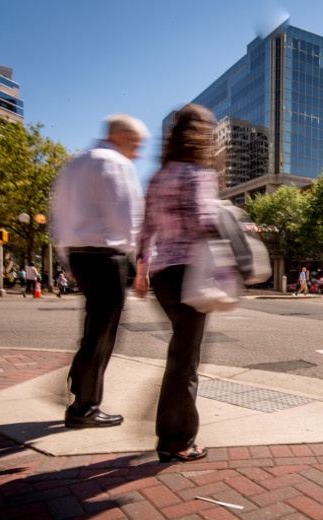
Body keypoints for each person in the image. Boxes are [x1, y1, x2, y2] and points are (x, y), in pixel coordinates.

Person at [51, 113, 149, 429]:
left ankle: (80, 388)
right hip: (105, 257)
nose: (139, 152)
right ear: (121, 135)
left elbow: (60, 215)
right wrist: (143, 265)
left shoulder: (77, 163)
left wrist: (67, 259)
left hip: (80, 256)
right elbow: (128, 219)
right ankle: (85, 407)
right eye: (136, 144)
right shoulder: (116, 163)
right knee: (103, 335)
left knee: (93, 330)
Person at [134, 103, 218, 463]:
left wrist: (141, 271)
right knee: (185, 361)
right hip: (191, 274)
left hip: (163, 276)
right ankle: (176, 439)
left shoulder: (159, 176)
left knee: (180, 355)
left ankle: (170, 429)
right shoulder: (197, 173)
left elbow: (146, 230)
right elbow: (202, 219)